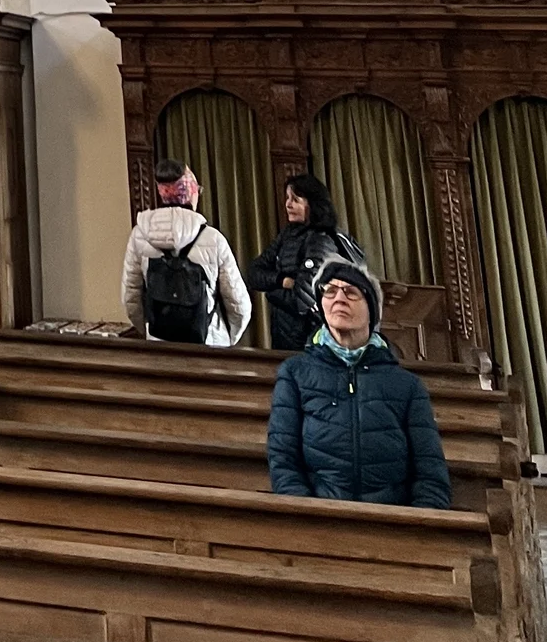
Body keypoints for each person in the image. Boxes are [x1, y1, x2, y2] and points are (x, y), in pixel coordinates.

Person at [267, 259, 451, 508]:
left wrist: (418, 528)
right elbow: (284, 460)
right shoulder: (295, 374)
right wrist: (306, 517)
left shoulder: (407, 386)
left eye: (351, 292)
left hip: (393, 522)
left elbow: (430, 472)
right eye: (329, 291)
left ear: (372, 309)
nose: (339, 298)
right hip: (318, 519)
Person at [120, 161, 252, 348]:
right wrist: (226, 338)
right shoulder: (213, 239)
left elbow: (130, 299)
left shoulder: (138, 236)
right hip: (208, 344)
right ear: (192, 194)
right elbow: (239, 305)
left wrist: (151, 331)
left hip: (161, 348)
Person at [246, 172, 367, 351]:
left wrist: (270, 293)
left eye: (295, 199)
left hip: (313, 343)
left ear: (313, 203)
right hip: (285, 340)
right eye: (287, 198)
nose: (288, 204)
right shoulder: (287, 236)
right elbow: (253, 273)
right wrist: (283, 281)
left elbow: (301, 300)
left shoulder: (322, 240)